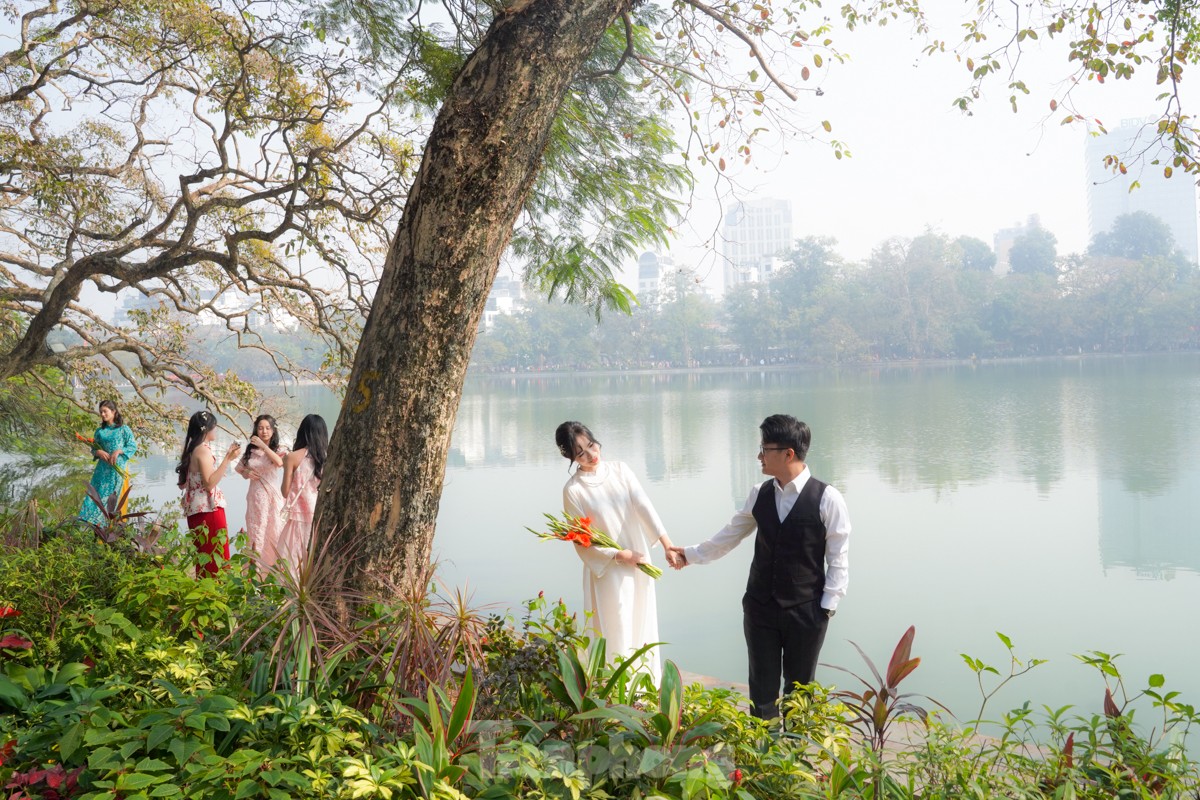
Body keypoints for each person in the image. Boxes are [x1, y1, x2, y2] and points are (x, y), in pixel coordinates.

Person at [669, 414, 850, 719]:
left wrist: (826, 608)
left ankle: (795, 757)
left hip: (806, 611)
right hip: (760, 606)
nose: (759, 456)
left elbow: (839, 557)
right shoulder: (760, 493)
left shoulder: (827, 498)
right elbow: (731, 534)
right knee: (761, 689)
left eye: (765, 449)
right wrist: (690, 554)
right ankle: (762, 758)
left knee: (800, 691)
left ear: (788, 454)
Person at [555, 421, 682, 683]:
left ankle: (647, 688)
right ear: (569, 457)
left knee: (641, 618)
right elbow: (581, 540)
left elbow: (643, 505)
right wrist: (621, 555)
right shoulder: (573, 490)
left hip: (639, 560)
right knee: (617, 624)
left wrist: (667, 544)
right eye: (581, 453)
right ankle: (617, 693)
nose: (591, 455)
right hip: (609, 570)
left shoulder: (620, 470)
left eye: (591, 445)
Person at [176, 410, 241, 577]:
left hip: (196, 509)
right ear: (207, 430)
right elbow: (209, 483)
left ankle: (205, 595)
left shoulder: (193, 449)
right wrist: (227, 459)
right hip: (208, 510)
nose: (216, 430)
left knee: (204, 556)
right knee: (216, 554)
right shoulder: (203, 450)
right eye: (214, 427)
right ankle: (217, 595)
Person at [234, 414, 289, 566]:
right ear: (256, 429)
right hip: (256, 495)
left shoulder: (279, 448)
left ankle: (274, 568)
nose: (264, 431)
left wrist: (264, 446)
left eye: (267, 428)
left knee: (274, 528)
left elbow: (279, 462)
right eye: (260, 428)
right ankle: (255, 569)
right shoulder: (251, 449)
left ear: (273, 430)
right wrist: (247, 473)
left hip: (272, 495)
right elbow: (239, 469)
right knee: (257, 529)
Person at [276, 414, 327, 576]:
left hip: (298, 519)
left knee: (291, 563)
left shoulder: (292, 457)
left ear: (302, 432)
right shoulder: (327, 458)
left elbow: (285, 492)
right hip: (319, 518)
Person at [80, 399, 138, 524]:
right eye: (101, 412)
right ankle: (94, 529)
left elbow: (133, 446)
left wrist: (119, 451)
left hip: (118, 470)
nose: (102, 414)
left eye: (105, 411)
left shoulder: (124, 429)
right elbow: (94, 449)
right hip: (102, 471)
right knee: (96, 499)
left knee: (114, 501)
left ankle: (113, 532)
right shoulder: (99, 432)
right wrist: (98, 452)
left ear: (113, 412)